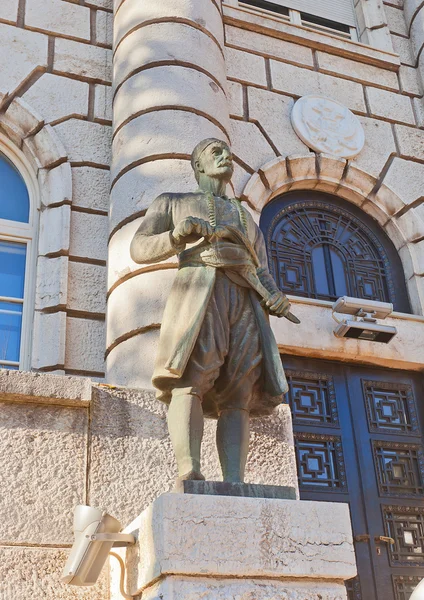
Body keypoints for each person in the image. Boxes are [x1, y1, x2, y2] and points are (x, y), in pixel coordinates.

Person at [130, 138, 297, 485]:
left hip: (246, 300)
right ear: (198, 166)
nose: (225, 156)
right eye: (214, 152)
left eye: (227, 151)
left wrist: (276, 297)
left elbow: (260, 269)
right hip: (199, 291)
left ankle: (235, 480)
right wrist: (177, 235)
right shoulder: (171, 203)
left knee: (240, 392)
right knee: (190, 380)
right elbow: (139, 248)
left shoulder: (245, 216)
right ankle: (189, 470)